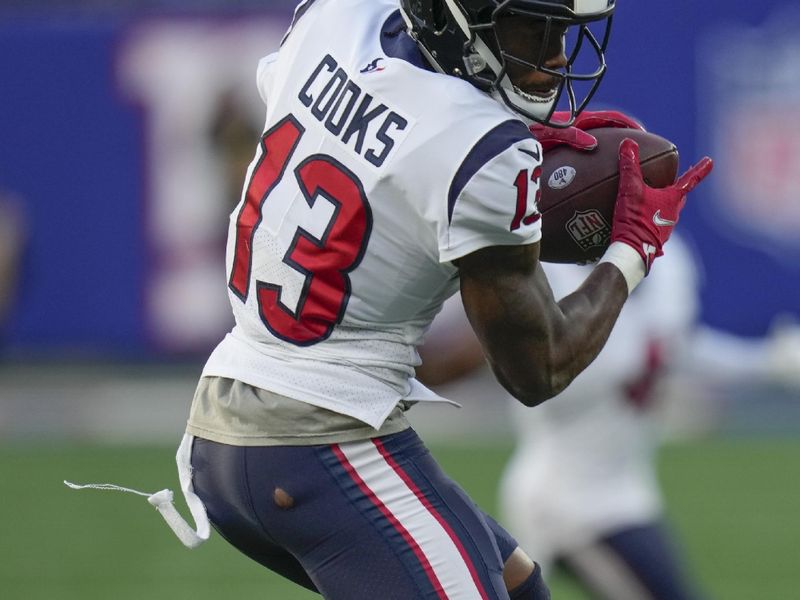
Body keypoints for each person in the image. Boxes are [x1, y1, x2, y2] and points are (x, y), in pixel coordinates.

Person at [172, 1, 712, 598]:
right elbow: (540, 367)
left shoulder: (338, 16)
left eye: (563, 30)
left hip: (227, 411)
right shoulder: (482, 147)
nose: (558, 57)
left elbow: (381, 126)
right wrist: (633, 250)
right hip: (315, 438)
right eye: (536, 28)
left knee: (521, 588)